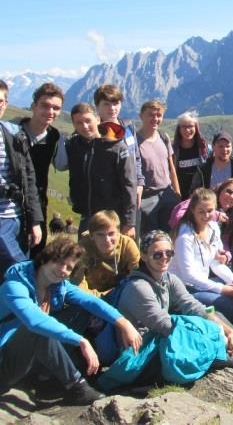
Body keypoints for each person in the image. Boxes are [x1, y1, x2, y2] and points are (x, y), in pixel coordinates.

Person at [117, 230, 233, 379]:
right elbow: (164, 325)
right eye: (157, 254)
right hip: (144, 350)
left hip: (163, 339)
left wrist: (225, 329)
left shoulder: (168, 279)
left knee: (215, 316)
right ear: (144, 256)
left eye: (169, 253)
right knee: (203, 343)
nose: (164, 258)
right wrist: (210, 333)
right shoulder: (138, 287)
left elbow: (192, 305)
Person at [0, 237, 142, 405]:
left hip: (27, 359)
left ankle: (46, 375)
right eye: (59, 262)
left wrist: (123, 322)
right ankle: (76, 386)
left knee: (82, 309)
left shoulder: (59, 286)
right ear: (46, 258)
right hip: (5, 363)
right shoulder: (15, 285)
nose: (62, 270)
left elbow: (91, 301)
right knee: (40, 327)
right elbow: (34, 320)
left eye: (69, 268)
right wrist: (80, 340)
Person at [169, 188, 233, 324]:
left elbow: (215, 262)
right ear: (192, 210)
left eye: (210, 211)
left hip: (202, 283)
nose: (206, 215)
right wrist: (221, 289)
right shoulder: (185, 236)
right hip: (186, 289)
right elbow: (188, 275)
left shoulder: (213, 227)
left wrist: (232, 279)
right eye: (201, 211)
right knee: (230, 308)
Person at [63, 102, 137, 235]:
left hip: (113, 217)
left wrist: (129, 222)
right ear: (73, 124)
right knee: (85, 254)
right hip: (86, 216)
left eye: (88, 121)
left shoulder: (116, 148)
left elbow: (129, 185)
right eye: (78, 123)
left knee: (112, 254)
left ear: (97, 119)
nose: (84, 126)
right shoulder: (73, 145)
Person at [18, 82, 68, 255]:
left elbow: (62, 165)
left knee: (37, 251)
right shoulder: (13, 131)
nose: (50, 112)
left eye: (56, 108)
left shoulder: (55, 136)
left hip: (38, 202)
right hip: (10, 202)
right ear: (33, 106)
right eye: (45, 106)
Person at [0, 109, 43, 279]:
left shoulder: (13, 134)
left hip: (18, 218)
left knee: (11, 278)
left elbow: (28, 179)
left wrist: (34, 221)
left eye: (1, 101)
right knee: (21, 271)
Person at [94, 84, 144, 225]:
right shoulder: (94, 132)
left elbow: (137, 157)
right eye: (106, 104)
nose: (112, 108)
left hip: (131, 194)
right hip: (106, 198)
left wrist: (140, 183)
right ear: (97, 106)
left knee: (131, 239)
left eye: (116, 103)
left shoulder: (128, 127)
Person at [71, 210, 140, 298]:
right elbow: (77, 284)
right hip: (91, 298)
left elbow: (137, 278)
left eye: (111, 234)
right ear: (92, 236)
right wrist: (101, 298)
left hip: (122, 295)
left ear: (118, 232)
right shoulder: (83, 248)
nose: (107, 240)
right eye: (100, 235)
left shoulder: (127, 245)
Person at [136, 100, 181, 236]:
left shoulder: (164, 137)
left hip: (167, 194)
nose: (155, 119)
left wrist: (177, 193)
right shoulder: (134, 141)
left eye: (159, 115)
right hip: (147, 198)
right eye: (151, 115)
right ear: (141, 116)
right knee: (149, 238)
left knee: (170, 236)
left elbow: (171, 168)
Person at [172, 111, 211, 201]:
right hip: (179, 196)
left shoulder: (204, 149)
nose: (187, 130)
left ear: (196, 128)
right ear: (179, 129)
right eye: (184, 127)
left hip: (201, 196)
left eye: (190, 126)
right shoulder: (173, 151)